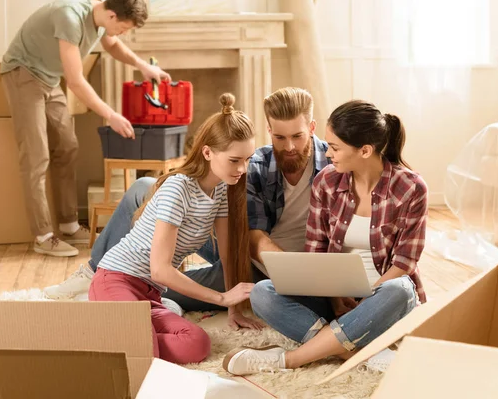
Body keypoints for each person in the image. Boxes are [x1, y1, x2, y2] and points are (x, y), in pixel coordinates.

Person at [44, 87, 331, 329]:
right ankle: (95, 273)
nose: (289, 147)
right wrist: (286, 267)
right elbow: (250, 237)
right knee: (144, 187)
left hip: (262, 269)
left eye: (298, 136)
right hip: (253, 254)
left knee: (192, 284)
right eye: (280, 138)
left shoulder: (332, 166)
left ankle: (146, 292)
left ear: (312, 128)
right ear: (269, 131)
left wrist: (297, 275)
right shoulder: (255, 164)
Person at [222, 99, 428, 376]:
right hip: (334, 295)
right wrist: (333, 296)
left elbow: (404, 263)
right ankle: (359, 351)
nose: (328, 153)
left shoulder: (411, 187)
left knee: (402, 289)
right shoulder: (327, 181)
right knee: (262, 292)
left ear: (365, 150)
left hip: (383, 298)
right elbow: (316, 249)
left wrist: (368, 303)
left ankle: (289, 360)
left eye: (335, 147)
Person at [89, 94, 257, 364]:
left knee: (197, 344)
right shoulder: (178, 188)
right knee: (143, 352)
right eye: (235, 160)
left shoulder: (223, 188)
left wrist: (234, 309)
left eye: (247, 159)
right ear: (207, 152)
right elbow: (161, 269)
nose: (243, 169)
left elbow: (226, 256)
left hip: (151, 294)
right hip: (117, 279)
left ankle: (118, 339)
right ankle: (117, 338)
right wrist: (221, 297)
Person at [0, 0, 170, 257]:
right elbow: (76, 82)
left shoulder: (101, 19)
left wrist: (142, 66)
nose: (122, 34)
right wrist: (110, 115)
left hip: (48, 78)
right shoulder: (70, 18)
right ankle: (43, 235)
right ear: (112, 15)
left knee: (68, 146)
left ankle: (68, 225)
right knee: (37, 155)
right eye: (123, 28)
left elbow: (112, 45)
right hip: (22, 73)